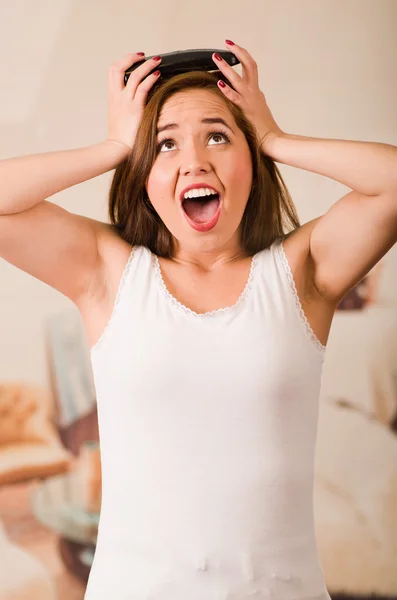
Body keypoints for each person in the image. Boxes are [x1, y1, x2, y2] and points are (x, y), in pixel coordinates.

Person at [0, 40, 396, 600]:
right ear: (143, 175)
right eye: (164, 144)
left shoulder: (302, 274)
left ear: (252, 163)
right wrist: (115, 144)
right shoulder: (109, 273)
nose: (195, 161)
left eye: (218, 135)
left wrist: (277, 138)